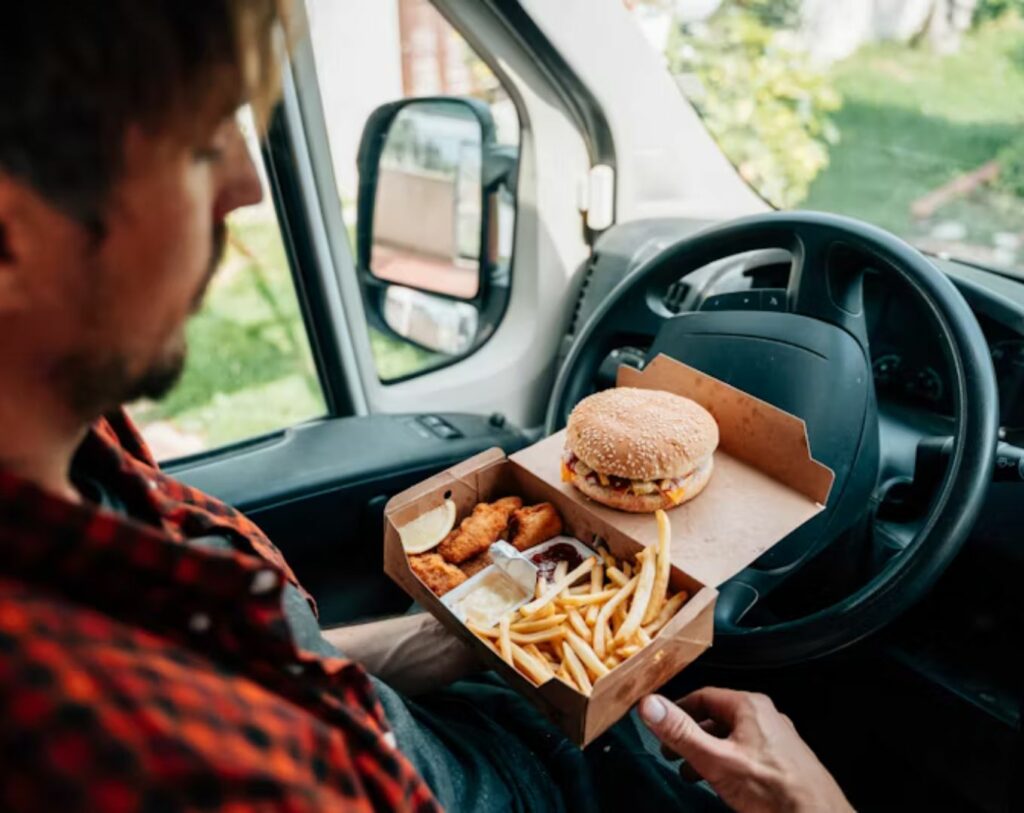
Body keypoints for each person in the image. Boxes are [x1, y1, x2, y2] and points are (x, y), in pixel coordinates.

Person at [0, 2, 853, 811]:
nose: (246, 185)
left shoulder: (80, 446)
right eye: (197, 143)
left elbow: (258, 662)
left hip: (443, 713)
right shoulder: (149, 751)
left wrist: (433, 640)